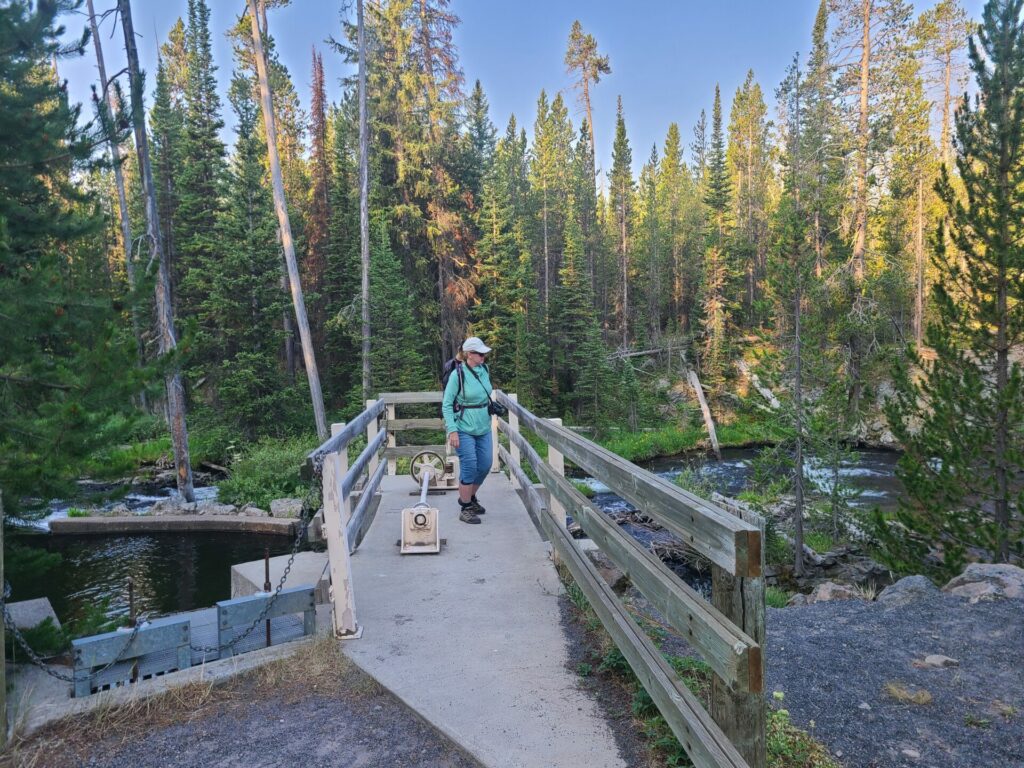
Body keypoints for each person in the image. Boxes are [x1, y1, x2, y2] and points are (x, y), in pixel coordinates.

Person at [442, 337, 496, 524]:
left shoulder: (484, 370)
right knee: (470, 465)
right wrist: (452, 430)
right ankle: (465, 508)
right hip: (463, 427)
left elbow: (485, 393)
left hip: (483, 426)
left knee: (485, 464)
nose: (484, 356)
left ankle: (469, 497)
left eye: (484, 353)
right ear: (469, 355)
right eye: (480, 354)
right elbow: (447, 404)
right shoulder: (458, 375)